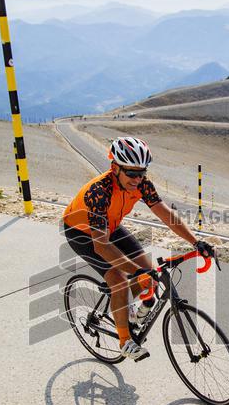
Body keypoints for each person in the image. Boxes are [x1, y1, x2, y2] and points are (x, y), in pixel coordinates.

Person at [62, 137, 213, 361]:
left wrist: (195, 242)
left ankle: (127, 309)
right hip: (81, 232)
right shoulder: (99, 192)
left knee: (151, 272)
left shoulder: (142, 184)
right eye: (131, 173)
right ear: (115, 168)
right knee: (119, 279)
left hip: (110, 226)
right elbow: (101, 246)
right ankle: (125, 341)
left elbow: (166, 215)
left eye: (141, 172)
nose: (138, 178)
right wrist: (135, 272)